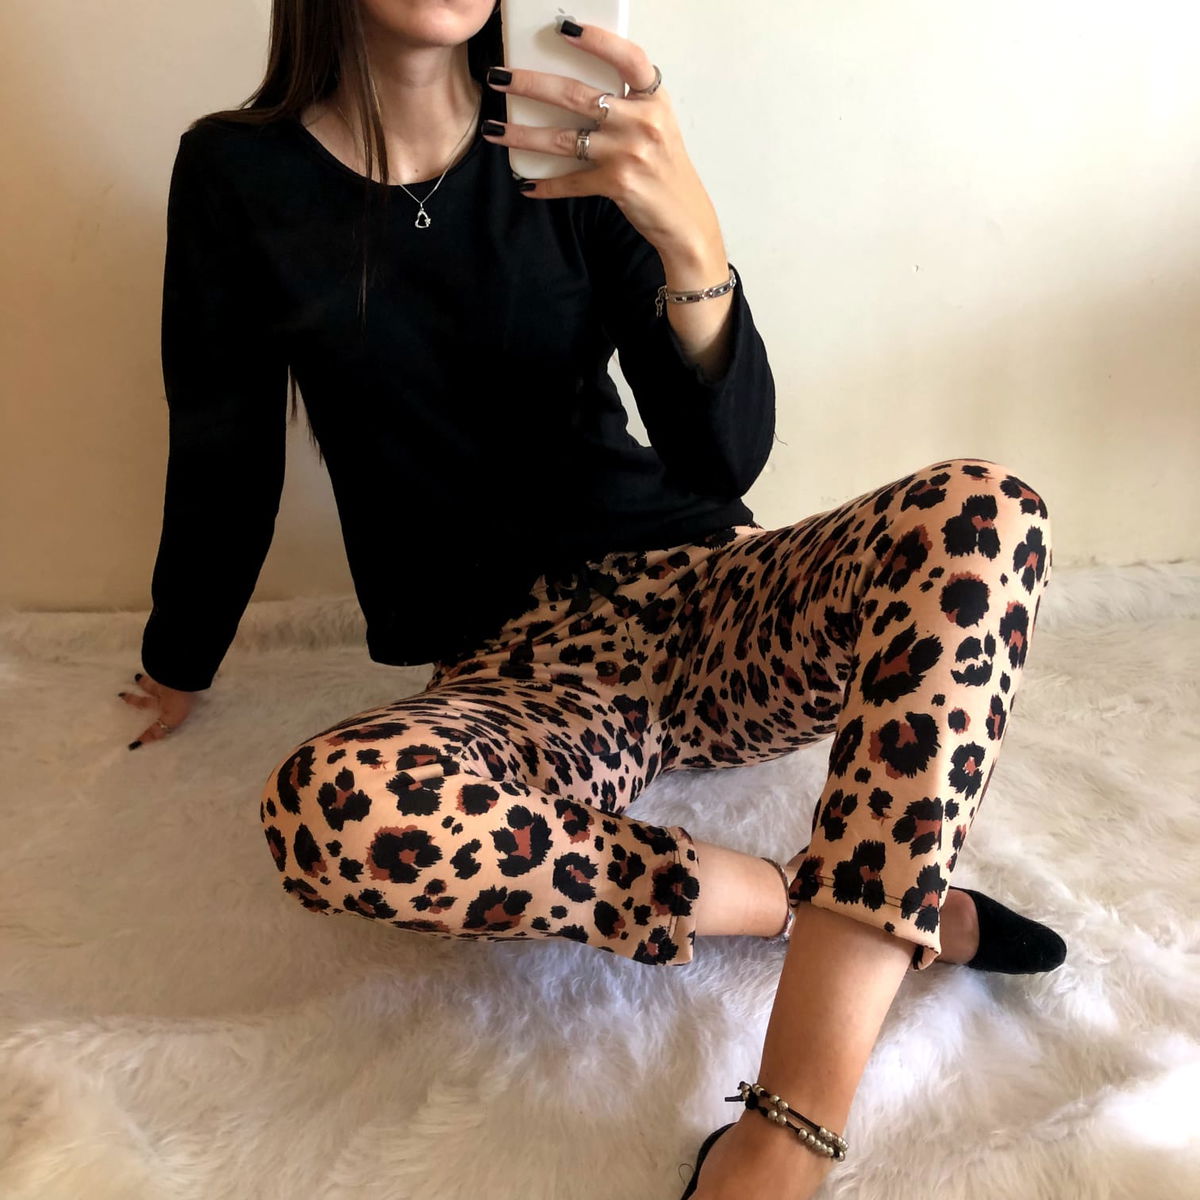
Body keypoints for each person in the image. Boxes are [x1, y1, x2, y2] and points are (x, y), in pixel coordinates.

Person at [119, 4, 1066, 1197]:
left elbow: (720, 460)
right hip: (524, 673)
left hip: (702, 596)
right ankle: (826, 901)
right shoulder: (238, 173)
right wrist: (180, 657)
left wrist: (692, 240)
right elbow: (225, 449)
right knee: (334, 809)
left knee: (986, 510)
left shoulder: (567, 134)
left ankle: (788, 1130)